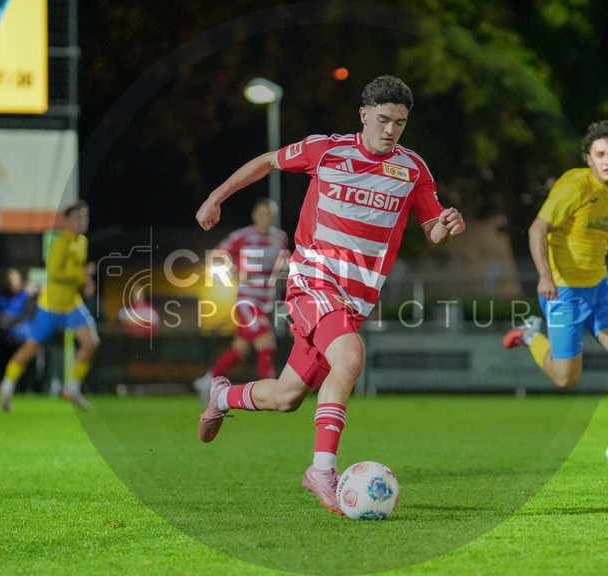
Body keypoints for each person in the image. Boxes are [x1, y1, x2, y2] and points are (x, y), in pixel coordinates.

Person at [195, 75, 465, 514]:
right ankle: (321, 470)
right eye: (383, 119)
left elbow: (432, 230)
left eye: (399, 122)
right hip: (312, 281)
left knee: (286, 398)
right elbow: (267, 161)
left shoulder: (412, 169)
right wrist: (216, 197)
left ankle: (224, 396)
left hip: (356, 301)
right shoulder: (327, 150)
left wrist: (447, 225)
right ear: (364, 115)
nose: (390, 130)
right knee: (351, 358)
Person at [502, 120, 608, 465]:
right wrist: (545, 277)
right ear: (588, 158)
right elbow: (536, 230)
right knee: (566, 378)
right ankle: (531, 336)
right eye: (601, 154)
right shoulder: (574, 186)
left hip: (600, 290)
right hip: (563, 292)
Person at [0, 201, 99, 412]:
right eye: (80, 217)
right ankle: (6, 386)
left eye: (86, 217)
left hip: (72, 304)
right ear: (68, 220)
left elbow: (74, 275)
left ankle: (71, 389)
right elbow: (55, 274)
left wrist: (84, 283)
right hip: (50, 307)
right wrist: (81, 276)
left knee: (91, 342)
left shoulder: (82, 242)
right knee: (30, 349)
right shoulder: (60, 243)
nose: (83, 221)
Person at [193, 198, 288, 403]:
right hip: (247, 302)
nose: (266, 218)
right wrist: (231, 270)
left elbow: (281, 266)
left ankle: (207, 380)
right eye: (262, 214)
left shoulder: (280, 238)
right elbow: (217, 255)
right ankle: (270, 394)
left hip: (264, 305)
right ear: (254, 216)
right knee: (267, 346)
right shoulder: (243, 236)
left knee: (240, 350)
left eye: (270, 215)